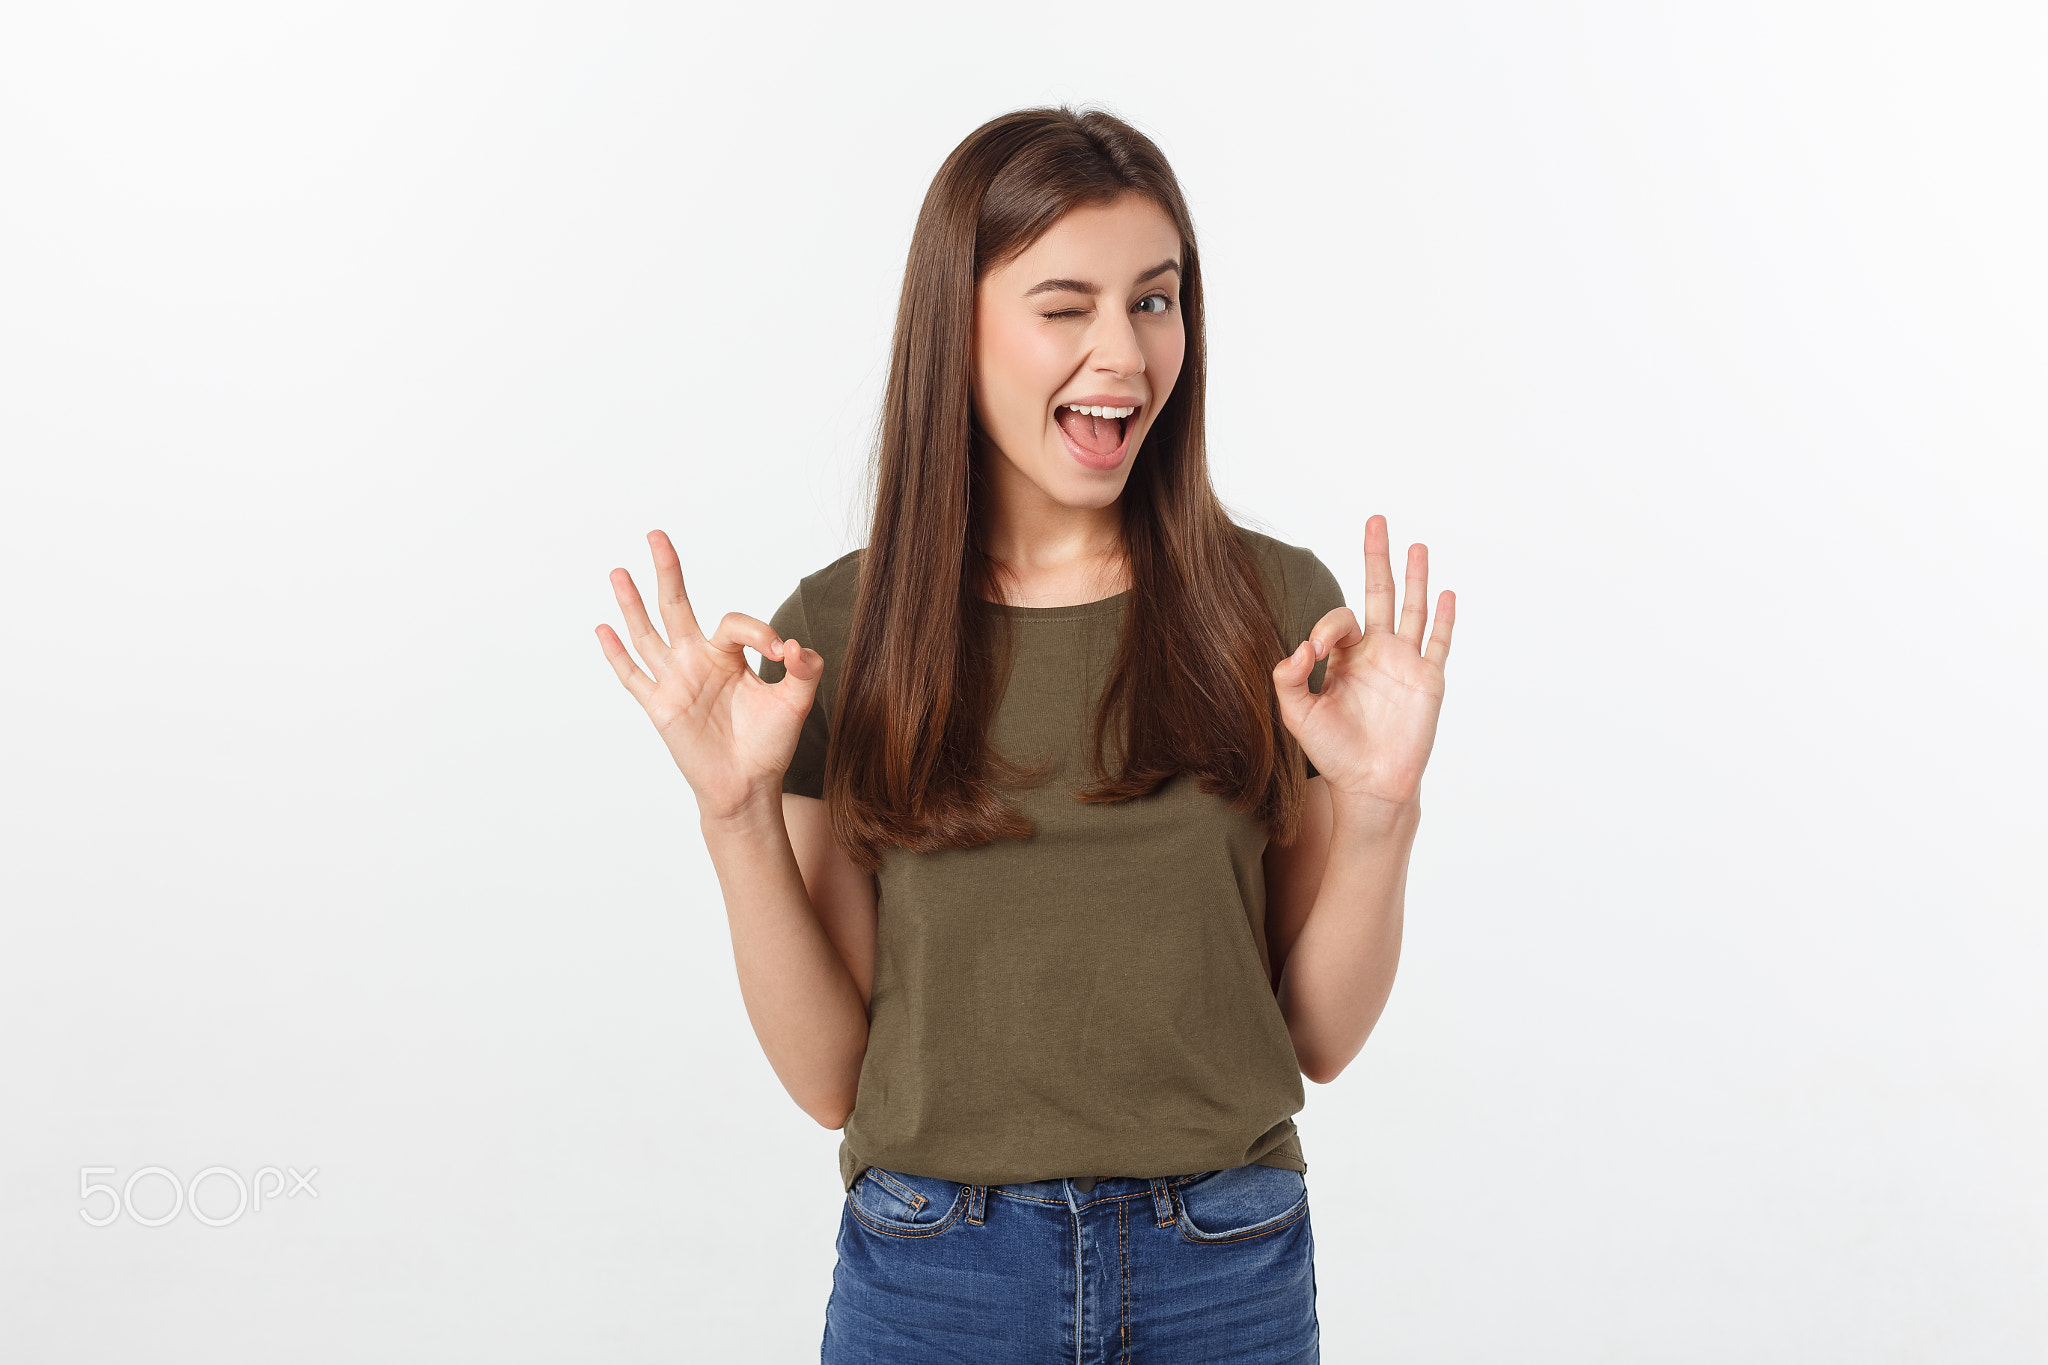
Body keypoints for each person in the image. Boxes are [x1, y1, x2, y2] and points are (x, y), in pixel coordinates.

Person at [596, 106, 1453, 1365]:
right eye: (1064, 307)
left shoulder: (1270, 607)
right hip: (935, 1278)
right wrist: (734, 817)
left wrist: (1379, 810)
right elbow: (830, 1079)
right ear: (958, 327)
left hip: (1223, 1268)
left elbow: (1316, 1036)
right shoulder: (839, 631)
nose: (1123, 352)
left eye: (1153, 301)